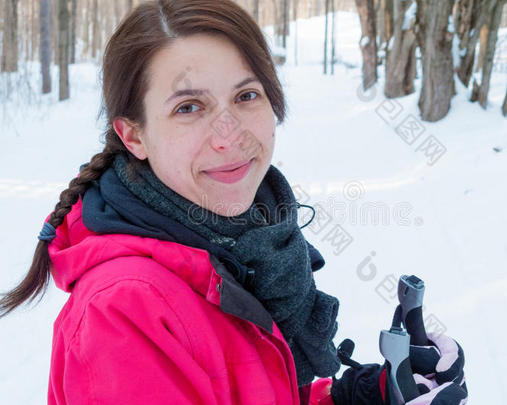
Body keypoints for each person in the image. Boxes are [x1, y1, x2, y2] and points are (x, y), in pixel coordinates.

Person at [0, 1, 468, 404]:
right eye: (189, 107)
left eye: (246, 96)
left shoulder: (241, 249)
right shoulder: (124, 313)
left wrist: (369, 394)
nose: (230, 136)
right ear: (134, 134)